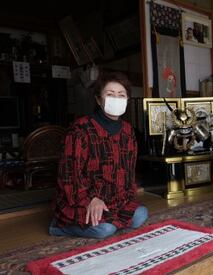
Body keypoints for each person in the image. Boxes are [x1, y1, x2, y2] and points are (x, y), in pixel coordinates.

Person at [49, 71, 148, 239]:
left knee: (140, 215)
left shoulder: (128, 131)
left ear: (127, 100)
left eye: (121, 95)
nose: (116, 99)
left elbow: (128, 170)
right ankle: (59, 226)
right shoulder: (81, 129)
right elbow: (69, 173)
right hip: (84, 199)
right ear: (98, 99)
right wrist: (91, 199)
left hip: (117, 200)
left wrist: (128, 195)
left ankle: (108, 220)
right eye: (110, 94)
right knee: (105, 230)